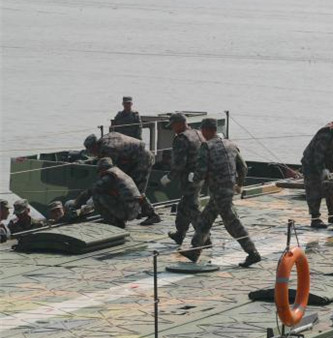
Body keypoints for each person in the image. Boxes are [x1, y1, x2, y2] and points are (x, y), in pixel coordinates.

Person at [180, 119, 261, 267]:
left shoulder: (206, 146)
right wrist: (239, 185)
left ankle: (252, 252)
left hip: (218, 191)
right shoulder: (231, 144)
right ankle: (195, 251)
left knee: (232, 223)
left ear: (206, 130)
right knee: (205, 220)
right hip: (227, 189)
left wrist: (193, 179)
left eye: (202, 131)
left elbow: (202, 171)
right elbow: (243, 167)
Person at [84, 131, 159, 225]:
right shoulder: (106, 140)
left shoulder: (108, 148)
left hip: (142, 159)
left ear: (94, 146)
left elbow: (113, 171)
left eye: (91, 151)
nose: (93, 154)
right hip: (135, 158)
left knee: (136, 188)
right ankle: (136, 212)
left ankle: (152, 215)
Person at [160, 113, 205, 245]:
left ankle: (204, 237)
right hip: (199, 175)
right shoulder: (197, 133)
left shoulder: (181, 139)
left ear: (180, 123)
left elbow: (180, 163)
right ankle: (180, 234)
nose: (173, 128)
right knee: (183, 206)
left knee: (192, 208)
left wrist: (169, 177)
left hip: (188, 178)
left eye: (173, 125)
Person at [301, 114, 333, 229]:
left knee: (332, 188)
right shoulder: (325, 134)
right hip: (311, 165)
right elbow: (318, 155)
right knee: (314, 190)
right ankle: (315, 219)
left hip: (327, 165)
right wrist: (322, 171)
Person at [68, 158, 142, 228]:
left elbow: (90, 191)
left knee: (97, 195)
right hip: (136, 210)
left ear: (102, 169)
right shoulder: (119, 173)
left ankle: (113, 222)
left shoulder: (108, 178)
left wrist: (76, 205)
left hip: (127, 212)